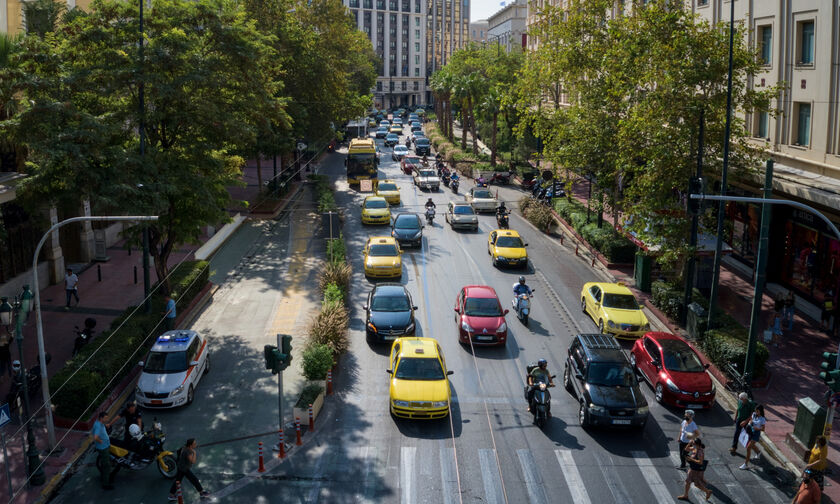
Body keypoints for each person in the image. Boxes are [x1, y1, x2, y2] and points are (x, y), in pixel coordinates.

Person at [91, 411, 114, 490]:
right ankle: (106, 484)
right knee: (106, 465)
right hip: (103, 448)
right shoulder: (98, 426)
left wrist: (106, 425)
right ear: (101, 418)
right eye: (106, 418)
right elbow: (95, 437)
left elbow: (101, 427)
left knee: (105, 463)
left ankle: (104, 477)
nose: (107, 419)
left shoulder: (99, 423)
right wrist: (101, 441)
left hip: (105, 446)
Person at [739, 404, 766, 470]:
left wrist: (757, 428)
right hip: (750, 432)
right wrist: (746, 422)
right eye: (755, 410)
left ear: (760, 411)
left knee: (748, 448)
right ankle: (758, 452)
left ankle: (746, 464)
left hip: (756, 434)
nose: (756, 412)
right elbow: (750, 419)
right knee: (751, 445)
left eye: (757, 411)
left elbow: (763, 429)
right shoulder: (754, 414)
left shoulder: (762, 419)